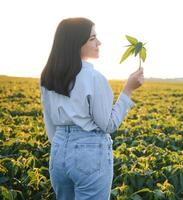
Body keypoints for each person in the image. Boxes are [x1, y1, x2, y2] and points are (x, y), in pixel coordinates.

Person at [40, 17, 144, 200]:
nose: (99, 42)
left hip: (58, 149)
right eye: (92, 38)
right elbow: (108, 125)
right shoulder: (94, 78)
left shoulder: (47, 76)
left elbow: (49, 121)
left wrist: (63, 145)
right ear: (76, 43)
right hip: (89, 153)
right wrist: (128, 90)